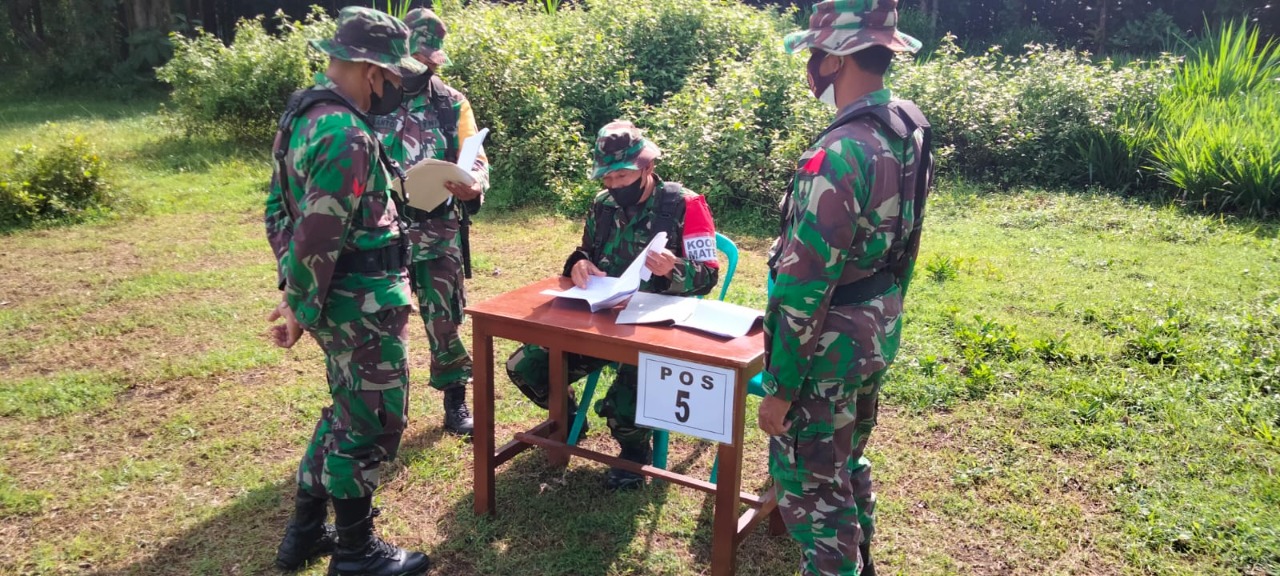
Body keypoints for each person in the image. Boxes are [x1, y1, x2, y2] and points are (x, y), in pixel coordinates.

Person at [757, 1, 934, 575]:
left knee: (810, 484)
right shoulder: (907, 130)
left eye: (815, 54)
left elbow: (804, 284)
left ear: (835, 60)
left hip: (825, 349)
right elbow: (907, 247)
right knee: (845, 458)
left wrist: (780, 387)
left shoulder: (837, 153)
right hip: (873, 330)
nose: (809, 66)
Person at [264, 7, 432, 576]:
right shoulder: (345, 131)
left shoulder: (302, 115)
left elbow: (276, 213)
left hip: (338, 300)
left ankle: (305, 534)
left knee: (345, 410)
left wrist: (293, 290)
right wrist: (299, 308)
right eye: (391, 76)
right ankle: (358, 555)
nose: (394, 87)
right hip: (359, 301)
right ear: (369, 69)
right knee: (373, 421)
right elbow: (320, 231)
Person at [505, 121, 720, 490]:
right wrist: (579, 264)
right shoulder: (602, 206)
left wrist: (674, 268)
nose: (615, 185)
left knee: (626, 405)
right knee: (528, 366)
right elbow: (587, 251)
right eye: (608, 178)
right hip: (601, 319)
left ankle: (634, 453)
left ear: (647, 167)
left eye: (623, 175)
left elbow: (708, 275)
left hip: (656, 326)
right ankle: (569, 417)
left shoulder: (685, 204)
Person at [371, 8, 488, 437]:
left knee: (445, 319)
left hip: (438, 229)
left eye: (429, 62)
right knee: (382, 320)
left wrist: (474, 185)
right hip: (380, 230)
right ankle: (381, 412)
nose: (421, 69)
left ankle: (454, 401)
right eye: (415, 60)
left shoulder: (451, 101)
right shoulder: (371, 94)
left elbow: (474, 156)